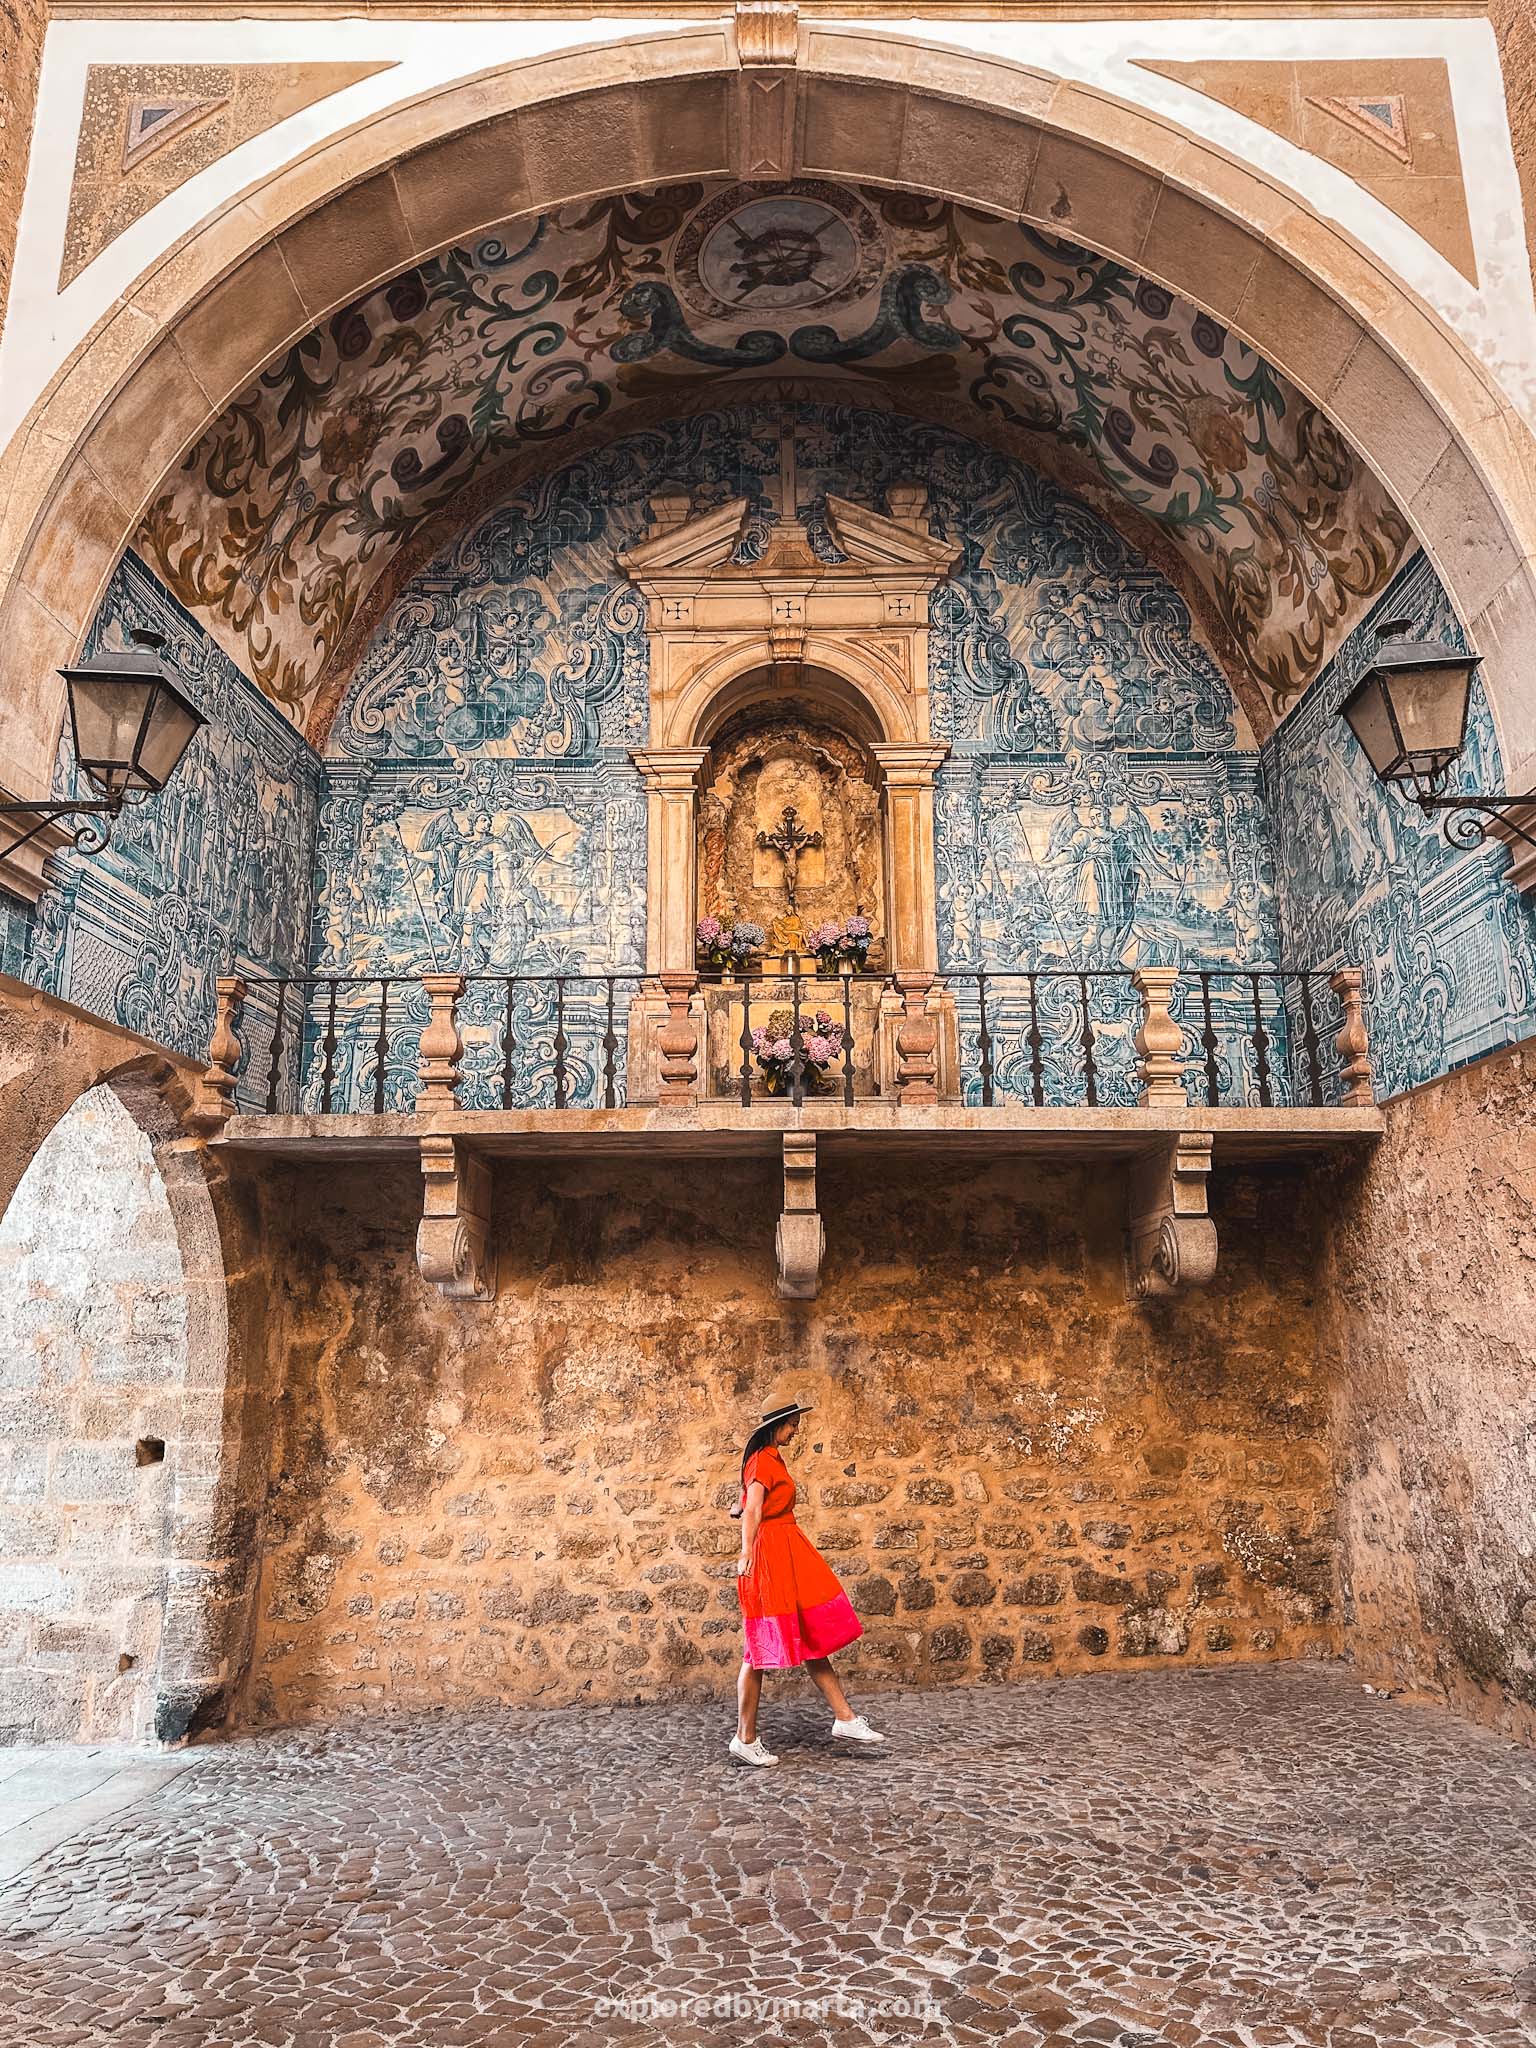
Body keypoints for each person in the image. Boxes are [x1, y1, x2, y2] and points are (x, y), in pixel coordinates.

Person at [729, 1397, 885, 1767]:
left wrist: (742, 1511)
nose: (796, 1429)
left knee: (811, 1631)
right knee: (759, 1648)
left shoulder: (769, 1461)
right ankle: (744, 1738)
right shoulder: (763, 1460)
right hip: (771, 1555)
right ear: (776, 1425)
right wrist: (747, 1552)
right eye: (793, 1423)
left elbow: (749, 1504)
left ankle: (845, 1718)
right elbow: (753, 1509)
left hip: (788, 1549)